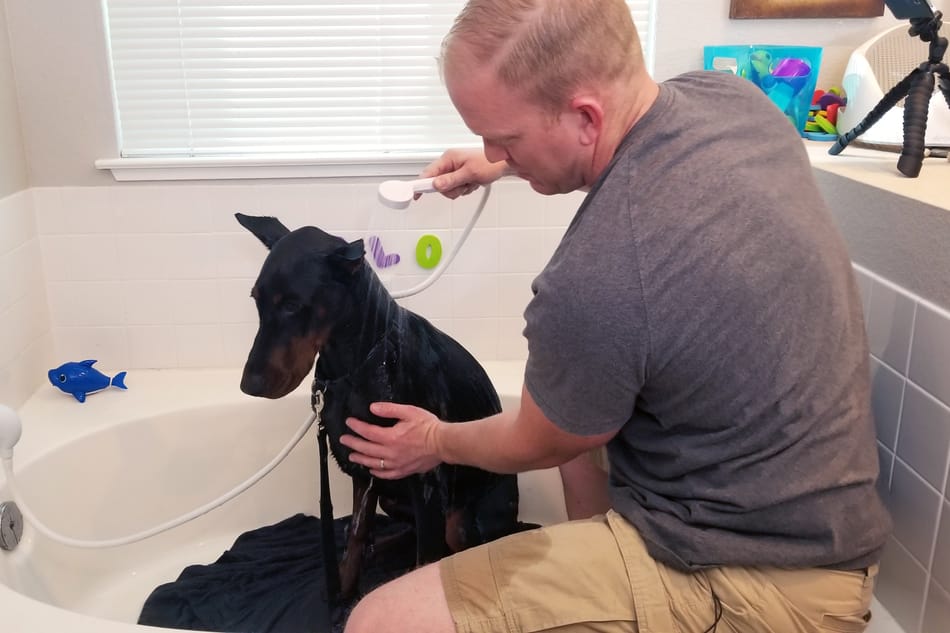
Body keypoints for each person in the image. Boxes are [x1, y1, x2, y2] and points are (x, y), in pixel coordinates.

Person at [339, 1, 892, 631]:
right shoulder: (732, 101)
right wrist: (504, 161)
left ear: (584, 117)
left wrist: (433, 440)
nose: (492, 150)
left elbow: (533, 442)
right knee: (569, 394)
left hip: (761, 584)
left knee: (378, 621)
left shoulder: (597, 277)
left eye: (506, 137)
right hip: (817, 521)